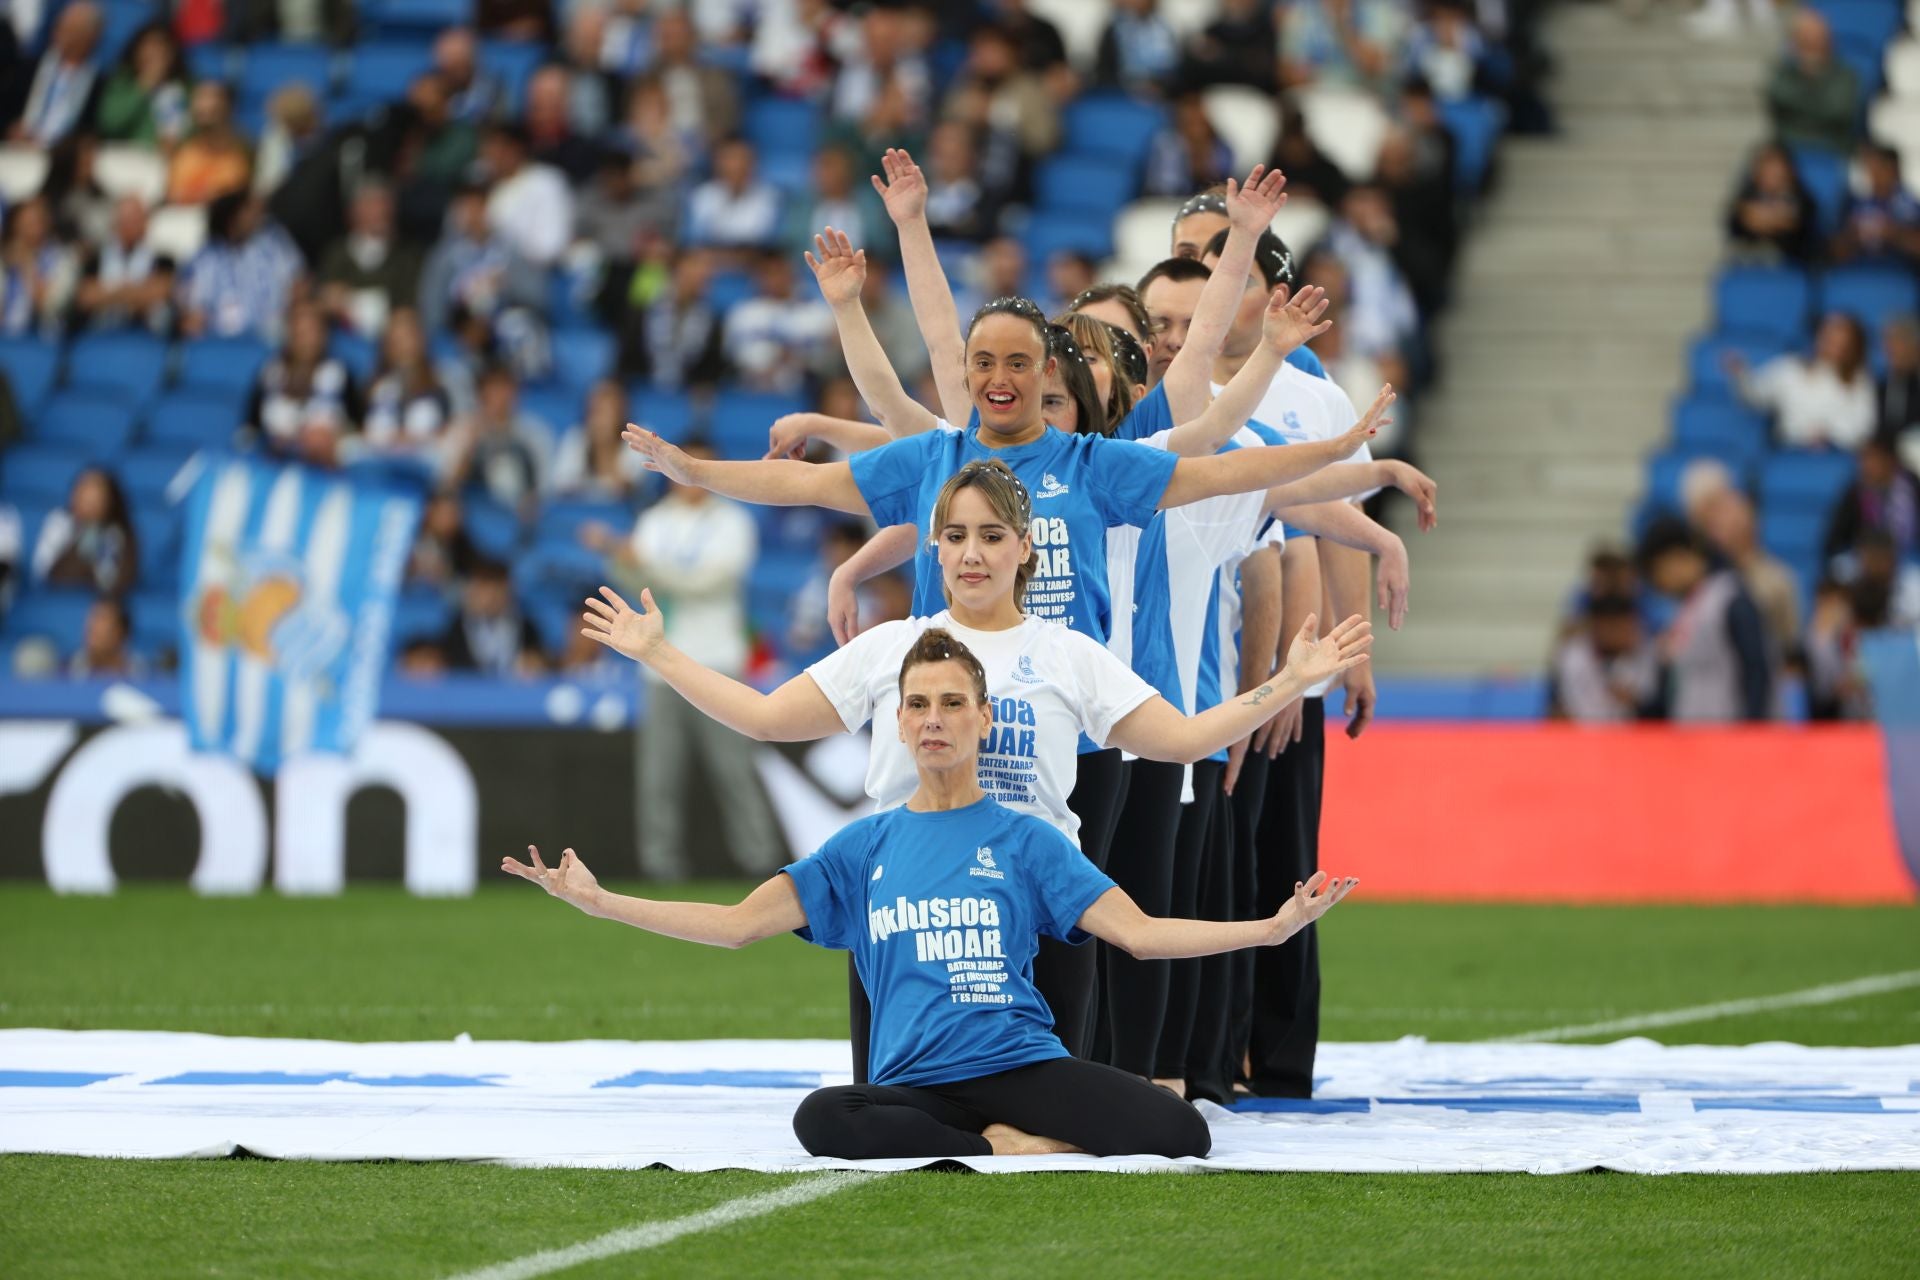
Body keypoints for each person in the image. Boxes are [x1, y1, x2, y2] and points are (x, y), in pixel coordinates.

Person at [577, 458, 1374, 1074]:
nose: (972, 553)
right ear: (934, 544)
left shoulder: (1068, 656)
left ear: (1026, 548)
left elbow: (1185, 738)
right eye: (956, 535)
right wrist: (660, 653)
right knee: (891, 1134)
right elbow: (760, 717)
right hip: (905, 921)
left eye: (993, 535)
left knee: (1051, 1131)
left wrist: (1292, 683)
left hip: (1040, 915)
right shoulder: (891, 648)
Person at [504, 626, 1361, 1159]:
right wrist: (602, 901)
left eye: (953, 704)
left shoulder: (1027, 840)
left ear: (986, 719)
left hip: (1023, 1067)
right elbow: (735, 928)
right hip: (915, 1083)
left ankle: (1006, 1138)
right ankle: (996, 1146)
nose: (933, 720)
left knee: (1182, 1130)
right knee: (822, 1117)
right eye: (916, 705)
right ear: (897, 721)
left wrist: (1273, 927)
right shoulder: (863, 847)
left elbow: (1137, 934)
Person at [587, 439, 783, 881]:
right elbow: (634, 583)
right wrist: (618, 557)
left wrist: (641, 562)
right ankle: (661, 865)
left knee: (733, 769)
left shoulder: (734, 520)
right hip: (662, 665)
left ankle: (760, 860)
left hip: (719, 661)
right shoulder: (654, 522)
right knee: (659, 776)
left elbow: (709, 584)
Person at [1638, 518, 1779, 722]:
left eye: (1658, 572)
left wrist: (1751, 735)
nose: (1660, 585)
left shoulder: (1729, 598)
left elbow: (1757, 670)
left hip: (1727, 737)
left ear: (1678, 556)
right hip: (1693, 739)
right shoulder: (1686, 608)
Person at [1729, 312, 1877, 451]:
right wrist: (1741, 376)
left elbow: (1863, 427)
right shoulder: (1789, 368)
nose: (1830, 344)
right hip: (1790, 454)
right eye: (1827, 336)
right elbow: (1755, 397)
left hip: (1836, 456)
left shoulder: (1859, 379)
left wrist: (1830, 434)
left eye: (1839, 340)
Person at [243, 299, 360, 457]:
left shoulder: (340, 374)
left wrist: (335, 439)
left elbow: (360, 429)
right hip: (274, 465)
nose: (305, 340)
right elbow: (249, 431)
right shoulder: (270, 372)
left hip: (324, 470)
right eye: (299, 332)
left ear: (323, 334)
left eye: (311, 331)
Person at [71, 195, 174, 333]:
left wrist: (108, 293)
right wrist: (136, 293)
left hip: (147, 338)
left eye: (135, 220)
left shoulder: (162, 260)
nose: (129, 226)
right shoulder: (95, 259)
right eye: (125, 220)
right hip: (102, 336)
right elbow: (85, 297)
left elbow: (161, 293)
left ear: (146, 222)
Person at [1547, 594, 1657, 722]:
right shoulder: (1573, 655)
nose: (1628, 633)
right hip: (1581, 736)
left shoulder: (1644, 650)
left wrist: (1635, 700)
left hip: (1632, 737)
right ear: (1599, 626)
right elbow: (1564, 709)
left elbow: (1651, 704)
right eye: (1619, 628)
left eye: (1630, 626)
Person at [1766, 9, 1859, 157]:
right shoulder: (1783, 71)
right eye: (1805, 39)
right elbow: (1778, 100)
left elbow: (1837, 111)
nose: (1811, 43)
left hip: (1832, 150)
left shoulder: (1845, 74)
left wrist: (1810, 81)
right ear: (1795, 41)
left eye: (1816, 38)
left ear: (1828, 40)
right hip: (1788, 151)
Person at [9, 1, 101, 148]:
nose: (60, 32)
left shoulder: (99, 83)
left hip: (62, 159)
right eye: (60, 25)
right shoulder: (28, 70)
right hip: (19, 152)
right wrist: (11, 129)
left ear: (91, 36)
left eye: (72, 28)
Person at [32, 467, 137, 595]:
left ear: (110, 499)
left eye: (95, 493)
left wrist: (92, 533)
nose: (85, 498)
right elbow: (47, 574)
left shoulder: (116, 534)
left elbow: (109, 582)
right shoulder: (58, 523)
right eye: (81, 489)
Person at [440, 557, 545, 675]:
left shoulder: (527, 628)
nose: (491, 597)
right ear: (471, 591)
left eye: (498, 588)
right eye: (484, 588)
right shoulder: (453, 630)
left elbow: (539, 664)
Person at [1725, 141, 1819, 264]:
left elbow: (1798, 224)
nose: (1773, 174)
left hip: (1791, 265)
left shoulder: (1803, 199)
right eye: (1768, 168)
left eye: (1777, 168)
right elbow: (1738, 221)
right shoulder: (1747, 196)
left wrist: (1766, 219)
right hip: (1749, 264)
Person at [66, 596, 143, 677]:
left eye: (102, 618)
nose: (92, 625)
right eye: (92, 617)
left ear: (121, 631)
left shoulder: (140, 674)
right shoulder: (70, 672)